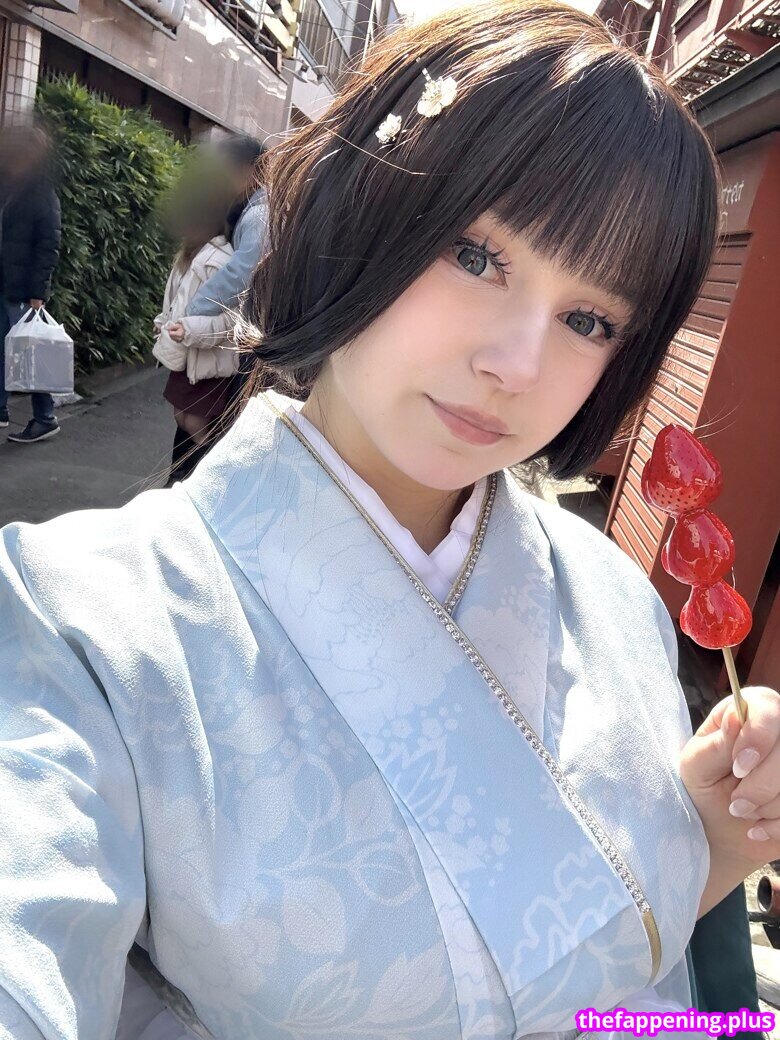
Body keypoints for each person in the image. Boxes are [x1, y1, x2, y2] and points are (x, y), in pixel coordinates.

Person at [1, 3, 779, 1039]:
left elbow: (616, 1000)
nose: (515, 364)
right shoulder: (76, 625)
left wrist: (713, 838)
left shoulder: (617, 602)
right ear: (358, 209)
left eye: (589, 319)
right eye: (475, 255)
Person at [165, 134, 268, 483]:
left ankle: (207, 477)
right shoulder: (252, 207)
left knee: (203, 422)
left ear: (249, 170)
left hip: (234, 341)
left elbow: (241, 274)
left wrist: (194, 313)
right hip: (219, 340)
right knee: (190, 419)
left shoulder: (258, 214)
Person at [154, 168, 240, 486]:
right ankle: (194, 477)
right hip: (187, 354)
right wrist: (163, 323)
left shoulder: (220, 259)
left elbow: (232, 321)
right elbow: (177, 302)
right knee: (182, 417)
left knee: (193, 422)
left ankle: (216, 475)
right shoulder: (189, 254)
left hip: (207, 359)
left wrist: (189, 330)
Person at [0, 123, 62, 443]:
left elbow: (48, 245)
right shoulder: (7, 184)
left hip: (23, 288)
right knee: (4, 351)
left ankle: (45, 417)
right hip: (4, 282)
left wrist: (38, 292)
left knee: (30, 354)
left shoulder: (41, 192)